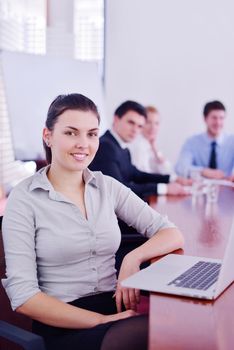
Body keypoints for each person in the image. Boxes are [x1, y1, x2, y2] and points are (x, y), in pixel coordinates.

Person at [2, 94, 184, 350]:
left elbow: (171, 232)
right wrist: (101, 320)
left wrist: (133, 259)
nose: (83, 144)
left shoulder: (106, 186)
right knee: (150, 336)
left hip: (115, 306)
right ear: (48, 136)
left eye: (92, 134)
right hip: (63, 322)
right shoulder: (24, 198)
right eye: (71, 133)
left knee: (174, 327)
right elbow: (24, 298)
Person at [89, 100, 190, 198]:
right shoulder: (106, 146)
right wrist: (164, 189)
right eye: (131, 123)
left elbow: (137, 175)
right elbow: (118, 190)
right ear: (116, 119)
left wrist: (171, 179)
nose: (135, 130)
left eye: (140, 126)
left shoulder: (121, 146)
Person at [175, 100, 234, 179]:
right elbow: (180, 168)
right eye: (214, 118)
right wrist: (203, 171)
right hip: (200, 188)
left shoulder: (232, 141)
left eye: (221, 118)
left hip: (227, 188)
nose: (218, 122)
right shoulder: (192, 142)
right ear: (205, 119)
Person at [128, 105, 173, 175]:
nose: (153, 127)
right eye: (148, 122)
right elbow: (142, 176)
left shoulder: (150, 144)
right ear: (141, 123)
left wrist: (155, 149)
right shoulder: (139, 145)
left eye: (156, 123)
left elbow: (168, 171)